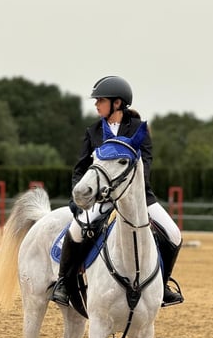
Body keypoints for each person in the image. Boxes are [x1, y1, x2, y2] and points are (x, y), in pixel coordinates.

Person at [51, 75, 184, 308]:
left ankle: (162, 285)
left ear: (118, 103)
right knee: (76, 230)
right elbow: (80, 168)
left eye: (100, 100)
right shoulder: (92, 131)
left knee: (174, 234)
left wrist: (127, 190)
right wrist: (77, 195)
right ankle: (64, 281)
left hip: (138, 197)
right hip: (101, 198)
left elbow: (147, 164)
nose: (95, 105)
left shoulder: (138, 130)